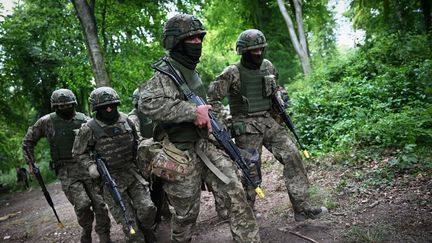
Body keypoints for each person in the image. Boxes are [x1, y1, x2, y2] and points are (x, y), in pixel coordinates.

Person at [138, 14, 260, 243]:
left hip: (204, 145)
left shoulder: (191, 71)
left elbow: (205, 108)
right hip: (179, 152)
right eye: (190, 39)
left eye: (199, 38)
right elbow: (147, 103)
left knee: (235, 192)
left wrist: (219, 122)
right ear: (175, 42)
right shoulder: (166, 72)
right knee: (186, 215)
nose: (197, 43)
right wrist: (192, 113)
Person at [207, 29, 327, 222]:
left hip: (268, 121)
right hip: (246, 126)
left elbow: (274, 89)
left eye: (261, 49)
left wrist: (281, 98)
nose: (258, 53)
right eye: (253, 50)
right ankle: (247, 213)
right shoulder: (232, 72)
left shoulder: (268, 66)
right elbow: (212, 98)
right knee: (250, 170)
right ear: (243, 51)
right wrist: (224, 120)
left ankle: (302, 208)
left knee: (293, 155)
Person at [22, 89, 111, 243]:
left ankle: (104, 236)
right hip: (66, 170)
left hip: (88, 166)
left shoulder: (84, 119)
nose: (65, 108)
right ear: (55, 107)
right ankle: (87, 229)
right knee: (82, 204)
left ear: (74, 104)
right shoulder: (46, 121)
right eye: (60, 106)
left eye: (68, 105)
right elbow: (28, 142)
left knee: (100, 205)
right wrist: (30, 162)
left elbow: (99, 140)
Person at [72, 87, 157, 243]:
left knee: (148, 209)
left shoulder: (127, 120)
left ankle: (147, 228)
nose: (109, 109)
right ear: (96, 109)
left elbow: (137, 141)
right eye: (104, 107)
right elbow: (78, 152)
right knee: (128, 223)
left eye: (112, 105)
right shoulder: (89, 128)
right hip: (111, 181)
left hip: (132, 173)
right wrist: (91, 165)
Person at [128, 88, 171, 225]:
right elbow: (138, 141)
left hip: (159, 154)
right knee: (153, 189)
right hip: (144, 159)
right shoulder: (133, 117)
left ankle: (165, 210)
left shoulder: (155, 113)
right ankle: (154, 218)